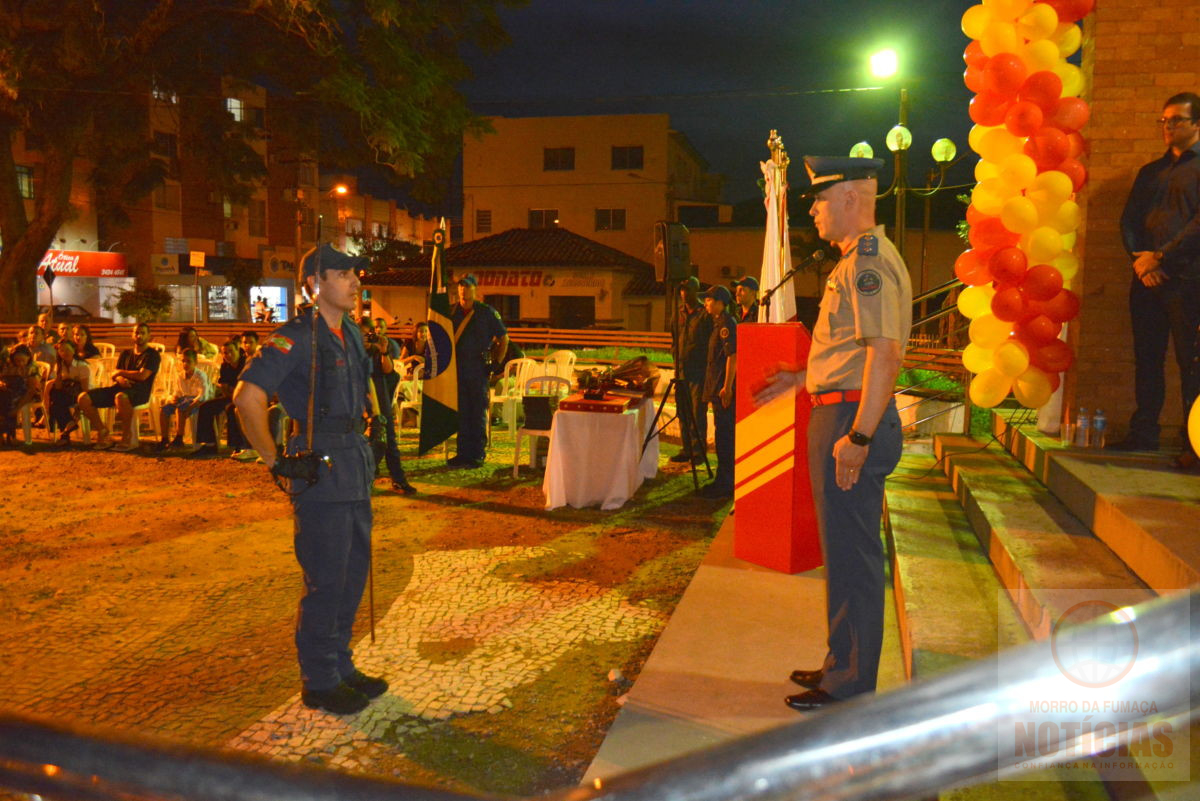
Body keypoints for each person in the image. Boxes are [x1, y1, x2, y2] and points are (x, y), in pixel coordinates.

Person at [754, 156, 910, 711]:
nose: (813, 211)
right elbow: (851, 351)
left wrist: (859, 438)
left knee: (855, 555)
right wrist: (802, 378)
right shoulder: (850, 263)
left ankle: (851, 683)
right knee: (840, 551)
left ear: (849, 197)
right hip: (838, 412)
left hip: (851, 422)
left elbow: (885, 354)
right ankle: (838, 662)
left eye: (819, 200)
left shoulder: (868, 261)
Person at [233, 242, 387, 716]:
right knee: (326, 578)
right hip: (318, 468)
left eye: (355, 274)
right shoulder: (296, 336)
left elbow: (364, 390)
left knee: (353, 573)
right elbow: (247, 397)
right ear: (314, 284)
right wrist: (275, 459)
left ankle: (340, 664)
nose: (356, 282)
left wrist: (375, 424)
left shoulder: (353, 334)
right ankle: (319, 679)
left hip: (354, 464)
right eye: (343, 275)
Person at [1112, 92, 1200, 470]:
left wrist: (1161, 256)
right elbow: (1129, 221)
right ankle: (1143, 431)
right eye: (1163, 120)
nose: (1168, 126)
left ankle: (1192, 443)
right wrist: (1141, 262)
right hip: (1146, 280)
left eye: (1176, 120)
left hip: (1185, 280)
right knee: (1146, 359)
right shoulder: (1150, 172)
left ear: (1196, 124)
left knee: (1190, 362)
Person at [448, 274, 508, 468]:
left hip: (478, 368)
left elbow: (503, 339)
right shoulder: (452, 312)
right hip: (458, 368)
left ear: (475, 289)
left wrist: (496, 363)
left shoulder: (486, 312)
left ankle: (477, 454)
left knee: (477, 411)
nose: (463, 290)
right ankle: (462, 453)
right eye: (461, 287)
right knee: (462, 413)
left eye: (468, 286)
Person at [76, 322, 162, 451]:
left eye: (143, 333)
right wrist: (119, 378)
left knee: (120, 397)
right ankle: (103, 431)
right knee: (84, 397)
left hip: (140, 391)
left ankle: (127, 436)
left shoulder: (152, 355)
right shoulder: (125, 353)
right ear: (132, 335)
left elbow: (142, 376)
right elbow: (115, 374)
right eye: (136, 332)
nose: (139, 336)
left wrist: (121, 373)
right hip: (119, 387)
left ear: (149, 336)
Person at [360, 316, 416, 494]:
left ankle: (398, 479)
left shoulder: (377, 351)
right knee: (362, 441)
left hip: (379, 396)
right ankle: (363, 480)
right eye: (361, 335)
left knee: (389, 438)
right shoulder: (351, 352)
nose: (365, 339)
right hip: (360, 401)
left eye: (367, 335)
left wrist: (383, 351)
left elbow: (389, 370)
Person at [698, 285, 737, 499]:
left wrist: (727, 387)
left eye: (709, 299)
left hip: (723, 389)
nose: (706, 303)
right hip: (716, 386)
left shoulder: (726, 324)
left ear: (721, 302)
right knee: (721, 434)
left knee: (725, 435)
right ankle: (723, 479)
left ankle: (726, 482)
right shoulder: (716, 324)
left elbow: (733, 355)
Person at [669, 276, 711, 464]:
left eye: (688, 290)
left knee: (697, 413)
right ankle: (686, 449)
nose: (684, 294)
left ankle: (698, 452)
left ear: (696, 291)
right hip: (681, 371)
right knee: (683, 412)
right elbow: (674, 338)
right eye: (682, 290)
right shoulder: (679, 313)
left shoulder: (704, 314)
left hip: (698, 372)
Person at [191, 337, 250, 458]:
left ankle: (237, 445)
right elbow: (224, 388)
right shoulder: (225, 367)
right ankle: (209, 444)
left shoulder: (246, 364)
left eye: (231, 351)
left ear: (238, 351)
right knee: (205, 407)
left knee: (231, 409)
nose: (228, 355)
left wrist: (231, 389)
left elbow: (244, 388)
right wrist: (230, 389)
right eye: (225, 352)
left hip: (246, 398)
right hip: (230, 396)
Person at [155, 348, 213, 450]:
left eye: (188, 361)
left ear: (195, 362)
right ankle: (164, 439)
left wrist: (190, 407)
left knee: (181, 408)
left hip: (197, 401)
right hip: (184, 399)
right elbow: (177, 391)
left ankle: (179, 438)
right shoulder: (180, 375)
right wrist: (174, 398)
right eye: (183, 361)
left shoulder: (200, 376)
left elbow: (203, 396)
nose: (185, 364)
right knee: (164, 410)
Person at [44, 339, 90, 444]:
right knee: (55, 396)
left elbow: (85, 389)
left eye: (67, 350)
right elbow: (59, 387)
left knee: (56, 402)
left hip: (81, 393)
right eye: (61, 350)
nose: (65, 353)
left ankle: (65, 433)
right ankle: (68, 428)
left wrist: (79, 408)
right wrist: (59, 373)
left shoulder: (82, 366)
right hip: (66, 394)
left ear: (74, 350)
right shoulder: (60, 366)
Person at [0, 345, 42, 445]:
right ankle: (9, 434)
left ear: (28, 357)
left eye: (22, 360)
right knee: (4, 396)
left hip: (26, 394)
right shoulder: (8, 365)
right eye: (17, 360)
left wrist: (17, 409)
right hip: (8, 392)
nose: (20, 363)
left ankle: (6, 433)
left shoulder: (32, 367)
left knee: (6, 400)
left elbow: (31, 391)